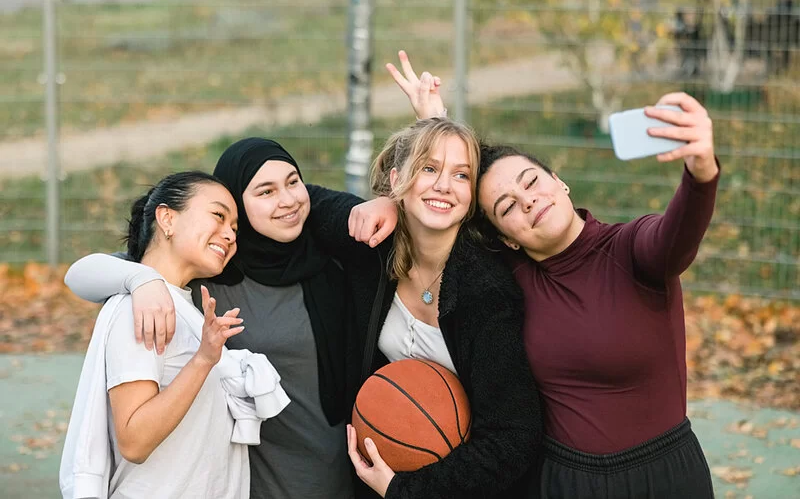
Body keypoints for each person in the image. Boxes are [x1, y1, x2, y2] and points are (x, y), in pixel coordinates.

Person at [359, 51, 720, 498]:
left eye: (530, 182)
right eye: (507, 206)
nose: (526, 201)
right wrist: (394, 195)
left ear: (559, 181)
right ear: (505, 237)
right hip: (562, 481)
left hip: (662, 477)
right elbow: (441, 211)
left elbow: (677, 235)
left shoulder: (633, 250)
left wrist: (701, 171)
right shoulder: (506, 275)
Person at [63, 140, 370, 499]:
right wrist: (139, 280)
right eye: (264, 191)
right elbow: (83, 273)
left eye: (293, 182)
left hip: (323, 469)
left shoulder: (333, 263)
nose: (286, 199)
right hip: (246, 480)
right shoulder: (191, 284)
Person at [304, 117, 542, 499]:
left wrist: (405, 490)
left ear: (471, 196)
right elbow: (298, 199)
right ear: (398, 178)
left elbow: (513, 438)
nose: (444, 186)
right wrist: (371, 205)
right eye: (428, 169)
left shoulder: (486, 292)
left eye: (461, 175)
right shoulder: (374, 246)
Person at [60, 171, 290, 499]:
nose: (229, 234)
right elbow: (135, 440)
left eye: (234, 228)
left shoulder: (179, 306)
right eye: (218, 215)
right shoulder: (143, 307)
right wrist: (203, 361)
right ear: (167, 218)